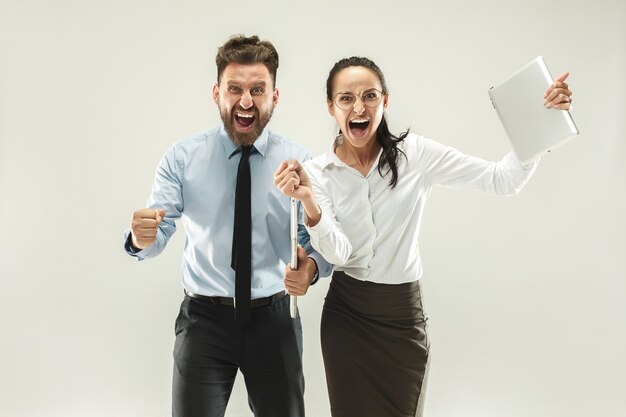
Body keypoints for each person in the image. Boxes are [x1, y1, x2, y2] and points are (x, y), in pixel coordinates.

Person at [274, 56, 573, 417]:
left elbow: (501, 179)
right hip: (347, 317)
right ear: (331, 106)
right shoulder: (317, 174)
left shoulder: (415, 154)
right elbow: (338, 253)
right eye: (346, 98)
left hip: (401, 316)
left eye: (370, 96)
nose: (359, 107)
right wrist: (308, 201)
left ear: (385, 101)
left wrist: (539, 121)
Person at [123, 34, 331, 417]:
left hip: (274, 319)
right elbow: (156, 233)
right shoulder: (183, 158)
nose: (246, 101)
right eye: (235, 89)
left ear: (275, 97)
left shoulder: (299, 161)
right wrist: (140, 238)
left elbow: (317, 239)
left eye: (257, 89)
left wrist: (313, 268)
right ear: (217, 92)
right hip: (204, 321)